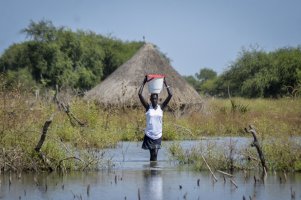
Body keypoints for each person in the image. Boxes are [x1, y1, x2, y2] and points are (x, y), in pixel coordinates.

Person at [138, 75, 173, 162]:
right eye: (153, 99)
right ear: (150, 99)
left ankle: (153, 172)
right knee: (152, 155)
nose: (154, 100)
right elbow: (139, 94)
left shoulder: (161, 107)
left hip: (158, 135)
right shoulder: (147, 107)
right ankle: (152, 172)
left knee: (155, 154)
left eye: (156, 99)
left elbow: (170, 95)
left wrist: (165, 83)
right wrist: (144, 82)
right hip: (149, 134)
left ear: (158, 100)